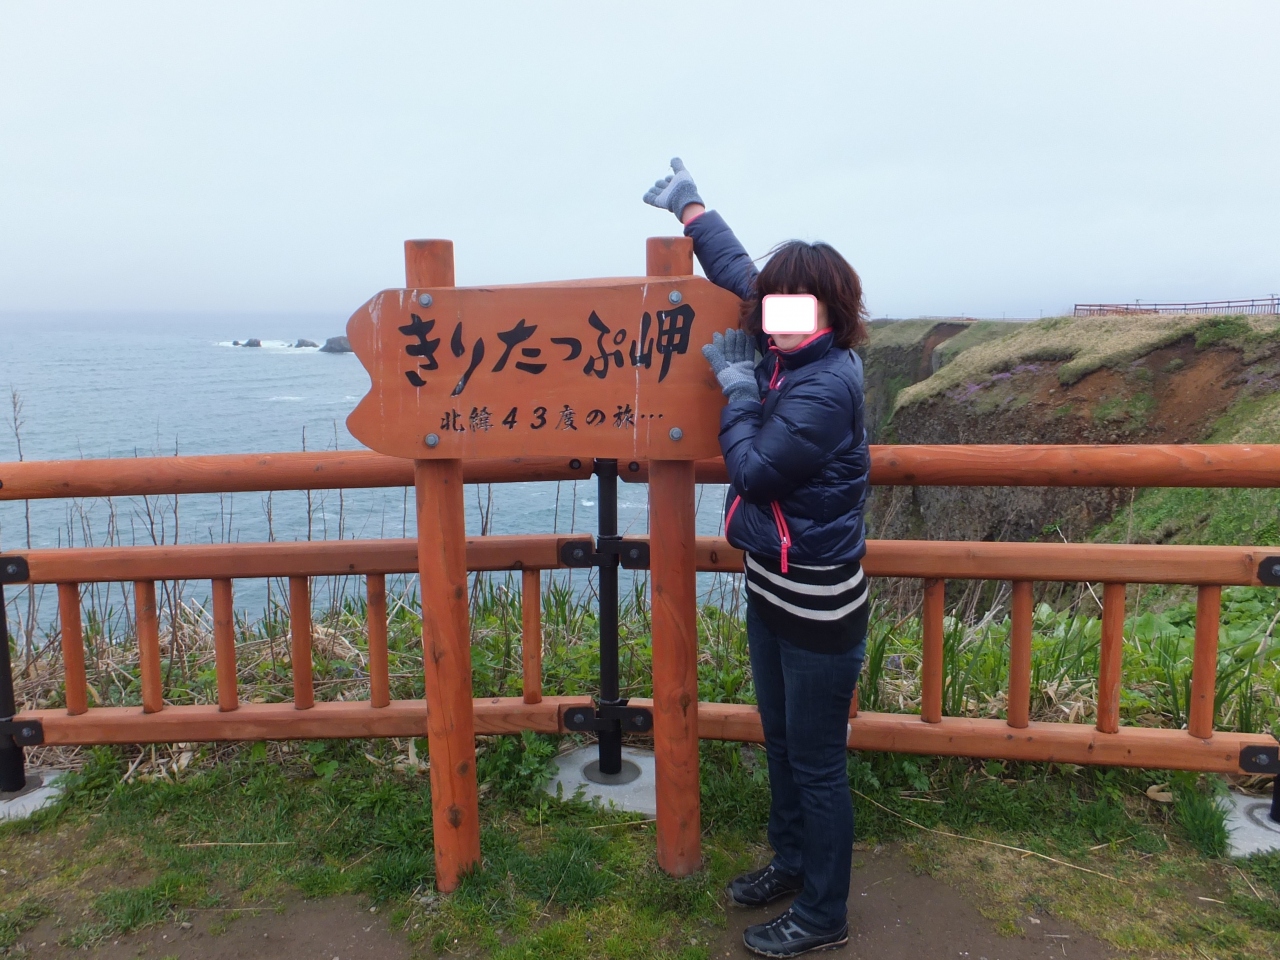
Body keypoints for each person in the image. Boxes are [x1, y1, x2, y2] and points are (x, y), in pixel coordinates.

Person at [644, 159, 871, 957]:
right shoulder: (789, 345)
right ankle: (792, 862)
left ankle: (824, 913)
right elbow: (741, 273)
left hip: (816, 602)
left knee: (817, 763)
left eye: (794, 306)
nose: (774, 316)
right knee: (781, 742)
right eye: (773, 305)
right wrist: (693, 210)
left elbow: (756, 471)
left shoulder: (825, 384)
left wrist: (739, 388)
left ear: (833, 312)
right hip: (771, 584)